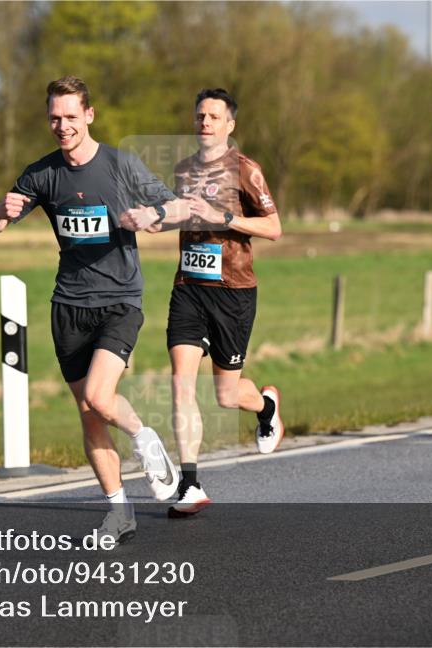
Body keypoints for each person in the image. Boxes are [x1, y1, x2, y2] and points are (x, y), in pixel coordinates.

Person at [0, 76, 191, 543]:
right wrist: (1, 208)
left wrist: (153, 216)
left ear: (89, 116)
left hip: (119, 300)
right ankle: (119, 511)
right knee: (88, 411)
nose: (62, 126)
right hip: (68, 305)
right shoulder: (42, 174)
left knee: (100, 396)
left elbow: (177, 207)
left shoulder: (120, 166)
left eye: (71, 117)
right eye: (55, 118)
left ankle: (146, 439)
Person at [124, 89, 283, 516]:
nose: (205, 122)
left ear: (230, 124)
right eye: (200, 116)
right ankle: (190, 484)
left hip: (232, 291)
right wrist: (152, 220)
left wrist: (225, 219)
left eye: (214, 116)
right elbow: (179, 212)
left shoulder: (246, 171)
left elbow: (273, 227)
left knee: (227, 396)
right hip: (189, 288)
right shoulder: (184, 169)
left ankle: (265, 406)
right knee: (181, 381)